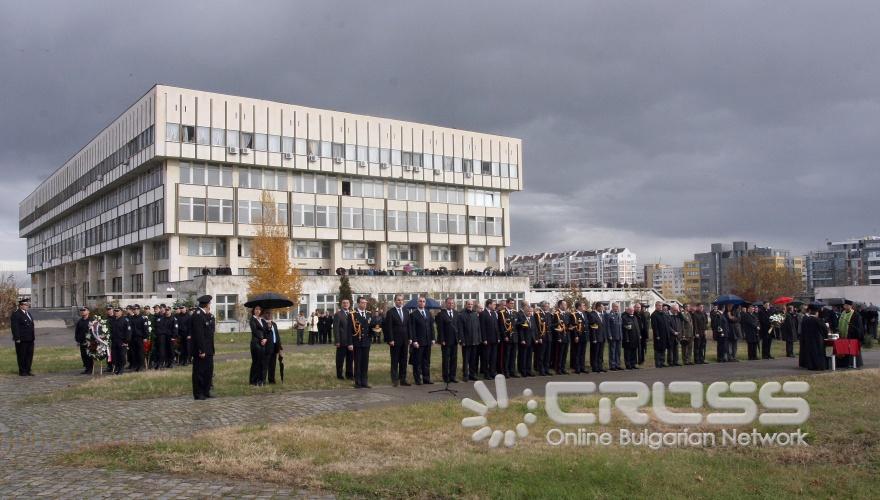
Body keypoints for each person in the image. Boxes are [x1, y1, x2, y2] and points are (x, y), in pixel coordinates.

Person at [191, 295, 216, 400]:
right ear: (206, 304)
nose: (210, 305)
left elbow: (209, 332)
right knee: (199, 372)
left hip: (208, 348)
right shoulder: (198, 315)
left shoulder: (205, 315)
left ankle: (206, 391)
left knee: (208, 371)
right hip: (201, 349)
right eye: (209, 303)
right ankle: (198, 393)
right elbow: (199, 334)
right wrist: (201, 350)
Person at [384, 295, 411, 387]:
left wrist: (410, 338)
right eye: (398, 300)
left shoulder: (406, 311)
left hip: (405, 340)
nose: (400, 302)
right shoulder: (390, 312)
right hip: (395, 340)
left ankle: (403, 379)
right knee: (395, 360)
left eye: (402, 300)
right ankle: (395, 380)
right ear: (395, 301)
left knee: (404, 360)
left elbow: (409, 326)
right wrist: (390, 339)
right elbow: (389, 327)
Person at [409, 296, 435, 385]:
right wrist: (414, 341)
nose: (422, 303)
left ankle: (426, 378)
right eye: (420, 301)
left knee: (426, 361)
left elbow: (431, 327)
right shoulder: (413, 314)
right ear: (418, 303)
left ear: (425, 303)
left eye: (423, 301)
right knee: (417, 362)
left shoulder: (428, 313)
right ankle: (418, 379)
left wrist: (433, 338)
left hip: (427, 341)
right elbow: (412, 329)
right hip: (418, 342)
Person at [437, 297, 462, 384]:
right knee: (446, 360)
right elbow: (440, 328)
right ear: (445, 304)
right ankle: (446, 377)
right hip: (446, 341)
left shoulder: (456, 313)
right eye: (449, 303)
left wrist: (459, 338)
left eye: (452, 303)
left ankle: (452, 376)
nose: (451, 304)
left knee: (454, 359)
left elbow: (458, 327)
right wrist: (442, 340)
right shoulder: (441, 314)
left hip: (454, 340)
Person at [799, 302, 828, 371]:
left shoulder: (805, 320)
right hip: (817, 340)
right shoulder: (818, 320)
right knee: (818, 353)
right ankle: (818, 366)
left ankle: (810, 366)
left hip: (808, 339)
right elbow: (825, 330)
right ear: (816, 312)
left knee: (810, 353)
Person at [459, 300, 482, 381]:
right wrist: (462, 340)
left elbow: (478, 327)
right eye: (468, 304)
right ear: (466, 305)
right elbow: (460, 329)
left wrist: (479, 338)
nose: (470, 305)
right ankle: (465, 375)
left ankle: (472, 374)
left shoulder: (475, 314)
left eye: (471, 304)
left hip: (475, 341)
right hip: (466, 341)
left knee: (473, 359)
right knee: (466, 360)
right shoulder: (462, 314)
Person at [839, 300, 864, 368]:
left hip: (852, 336)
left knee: (852, 350)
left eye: (847, 305)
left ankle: (854, 363)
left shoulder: (856, 315)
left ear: (851, 306)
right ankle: (844, 363)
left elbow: (858, 327)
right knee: (844, 349)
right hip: (843, 336)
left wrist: (852, 331)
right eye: (845, 305)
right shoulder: (842, 313)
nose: (845, 307)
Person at [333, 299, 354, 380]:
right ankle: (339, 375)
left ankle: (349, 375)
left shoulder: (352, 314)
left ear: (349, 304)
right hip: (342, 341)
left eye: (347, 303)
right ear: (341, 304)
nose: (345, 304)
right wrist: (337, 341)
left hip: (351, 341)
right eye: (344, 303)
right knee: (340, 359)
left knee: (350, 359)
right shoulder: (338, 314)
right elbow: (336, 329)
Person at [480, 299, 500, 379]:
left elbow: (496, 327)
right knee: (486, 358)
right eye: (494, 304)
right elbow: (482, 327)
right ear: (489, 305)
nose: (495, 306)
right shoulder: (483, 314)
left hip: (494, 339)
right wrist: (484, 339)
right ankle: (486, 373)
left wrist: (498, 337)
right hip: (487, 340)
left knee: (493, 357)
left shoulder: (494, 313)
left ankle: (492, 372)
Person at [248, 306, 267, 386]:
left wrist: (265, 339)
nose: (257, 311)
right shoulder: (252, 319)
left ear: (261, 311)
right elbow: (255, 331)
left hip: (263, 342)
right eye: (256, 309)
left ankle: (260, 380)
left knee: (262, 362)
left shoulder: (262, 320)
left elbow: (266, 331)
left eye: (259, 309)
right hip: (255, 342)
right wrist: (262, 339)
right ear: (253, 310)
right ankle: (253, 381)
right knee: (256, 362)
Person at [550, 300, 570, 375]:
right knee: (559, 354)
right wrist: (558, 337)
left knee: (564, 353)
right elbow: (553, 326)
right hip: (559, 336)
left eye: (566, 304)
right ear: (560, 305)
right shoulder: (556, 314)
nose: (566, 306)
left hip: (566, 336)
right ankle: (558, 368)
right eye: (564, 304)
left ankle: (562, 367)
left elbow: (567, 324)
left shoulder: (566, 314)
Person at [497, 299, 516, 377]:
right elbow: (501, 326)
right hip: (507, 337)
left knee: (513, 355)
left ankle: (512, 371)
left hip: (514, 337)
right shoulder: (502, 313)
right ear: (507, 304)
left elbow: (515, 325)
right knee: (506, 355)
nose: (512, 305)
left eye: (513, 303)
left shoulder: (515, 312)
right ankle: (505, 371)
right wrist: (504, 336)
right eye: (511, 303)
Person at [263, 310, 283, 384]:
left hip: (274, 346)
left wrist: (280, 347)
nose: (269, 314)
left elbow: (277, 336)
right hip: (267, 347)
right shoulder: (262, 323)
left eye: (270, 313)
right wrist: (268, 327)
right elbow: (263, 335)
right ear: (264, 314)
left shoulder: (274, 324)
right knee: (265, 364)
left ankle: (271, 380)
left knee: (273, 364)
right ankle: (263, 380)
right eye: (267, 313)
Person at [110, 307, 131, 375]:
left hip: (122, 341)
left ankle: (121, 368)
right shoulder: (113, 320)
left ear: (121, 312)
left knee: (121, 355)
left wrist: (126, 342)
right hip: (114, 341)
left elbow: (128, 331)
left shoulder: (125, 320)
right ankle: (117, 368)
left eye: (117, 311)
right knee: (115, 355)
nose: (116, 312)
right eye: (115, 311)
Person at [534, 301, 552, 376]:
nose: (547, 308)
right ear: (542, 306)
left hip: (548, 337)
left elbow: (549, 325)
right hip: (542, 337)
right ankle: (541, 369)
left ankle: (546, 369)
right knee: (541, 355)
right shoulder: (537, 314)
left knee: (547, 354)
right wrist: (539, 337)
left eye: (548, 306)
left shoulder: (548, 314)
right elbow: (536, 327)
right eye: (546, 306)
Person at [74, 306, 94, 375]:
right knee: (83, 355)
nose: (82, 312)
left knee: (89, 355)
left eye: (84, 310)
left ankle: (90, 369)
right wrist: (77, 340)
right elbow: (77, 331)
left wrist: (91, 340)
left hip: (90, 342)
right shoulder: (80, 321)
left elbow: (94, 332)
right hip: (82, 342)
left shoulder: (92, 321)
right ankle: (86, 368)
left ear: (88, 311)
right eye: (81, 310)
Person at [570, 301, 587, 374]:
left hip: (584, 336)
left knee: (583, 352)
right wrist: (576, 336)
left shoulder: (584, 314)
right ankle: (577, 368)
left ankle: (582, 367)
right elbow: (573, 326)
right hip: (578, 336)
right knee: (577, 352)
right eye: (583, 305)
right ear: (579, 307)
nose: (584, 307)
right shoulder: (574, 315)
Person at [621, 305, 640, 370]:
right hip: (628, 338)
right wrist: (626, 338)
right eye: (630, 310)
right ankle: (628, 364)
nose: (632, 311)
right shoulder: (624, 318)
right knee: (628, 352)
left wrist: (639, 335)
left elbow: (637, 327)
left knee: (634, 352)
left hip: (635, 338)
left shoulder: (635, 317)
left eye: (632, 310)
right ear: (628, 310)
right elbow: (624, 328)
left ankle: (633, 364)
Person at [651, 301, 669, 367]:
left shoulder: (663, 314)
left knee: (663, 348)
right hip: (658, 335)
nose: (661, 307)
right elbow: (654, 326)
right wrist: (657, 335)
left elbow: (666, 324)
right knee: (658, 349)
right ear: (656, 306)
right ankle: (658, 363)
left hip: (664, 334)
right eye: (659, 305)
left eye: (661, 305)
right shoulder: (654, 315)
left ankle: (662, 362)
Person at [606, 302, 623, 371]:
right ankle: (612, 365)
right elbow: (608, 326)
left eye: (618, 306)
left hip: (619, 336)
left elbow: (620, 326)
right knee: (612, 351)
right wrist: (609, 335)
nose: (617, 308)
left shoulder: (619, 314)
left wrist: (621, 335)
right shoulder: (609, 315)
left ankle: (617, 364)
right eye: (616, 306)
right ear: (613, 307)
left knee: (618, 351)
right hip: (613, 336)